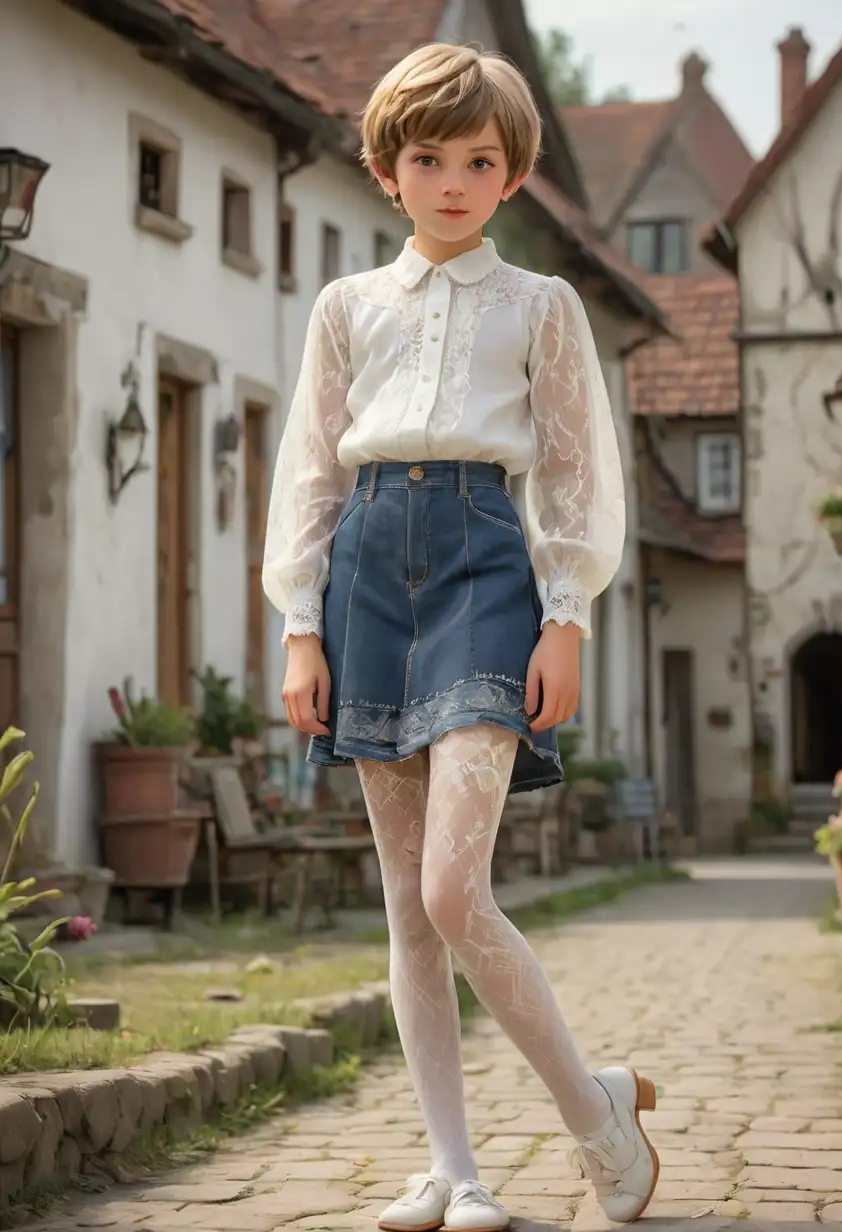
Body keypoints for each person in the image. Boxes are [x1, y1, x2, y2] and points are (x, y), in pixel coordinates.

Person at [262, 41, 660, 1232]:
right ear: (388, 170)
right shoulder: (345, 308)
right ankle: (455, 1170)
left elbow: (579, 474)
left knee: (450, 886)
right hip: (366, 578)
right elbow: (309, 474)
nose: (450, 180)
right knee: (404, 903)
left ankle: (594, 1113)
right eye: (426, 157)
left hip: (489, 565)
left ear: (511, 172)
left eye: (476, 159)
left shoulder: (543, 305)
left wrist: (569, 613)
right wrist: (298, 628)